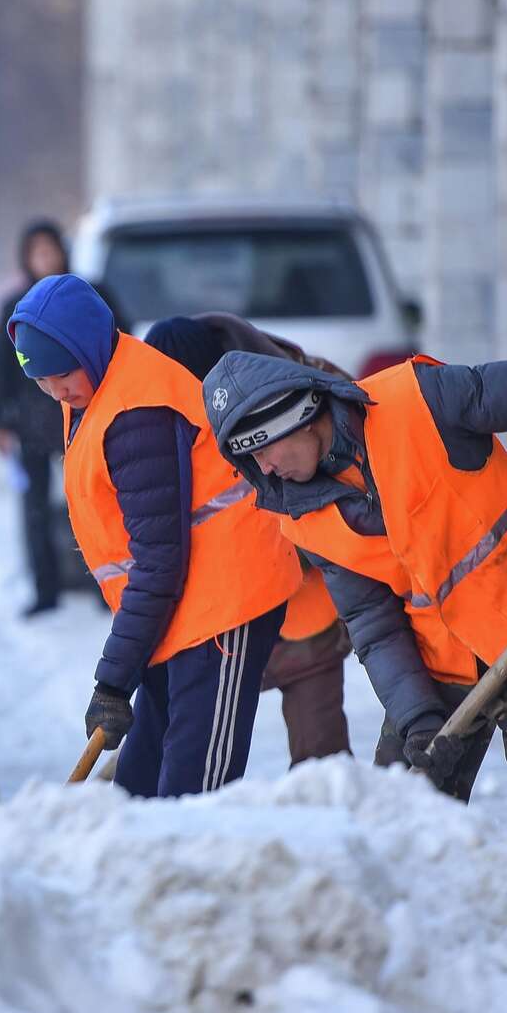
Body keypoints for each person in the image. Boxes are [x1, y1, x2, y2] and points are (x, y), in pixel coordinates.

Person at [200, 350, 507, 878]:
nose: (264, 470)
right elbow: (372, 624)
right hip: (440, 672)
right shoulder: (304, 517)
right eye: (250, 462)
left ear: (295, 413)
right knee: (391, 844)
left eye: (263, 451)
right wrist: (416, 718)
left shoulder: (419, 402)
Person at [10, 275, 301, 796]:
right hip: (178, 607)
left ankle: (194, 873)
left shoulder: (135, 413)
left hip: (224, 605)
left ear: (87, 345)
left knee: (194, 792)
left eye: (61, 373)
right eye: (42, 380)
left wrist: (114, 679)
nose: (57, 391)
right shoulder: (99, 387)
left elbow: (158, 559)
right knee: (142, 778)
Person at [143, 315, 353, 765]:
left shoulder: (293, 390)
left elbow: (353, 481)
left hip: (302, 608)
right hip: (217, 622)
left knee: (322, 762)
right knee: (185, 748)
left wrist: (298, 547)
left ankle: (327, 830)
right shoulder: (156, 418)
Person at [0, 220, 73, 616]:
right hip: (33, 420)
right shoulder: (14, 307)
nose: (45, 258)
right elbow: (0, 369)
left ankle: (107, 580)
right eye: (36, 251)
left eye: (50, 249)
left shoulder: (87, 295)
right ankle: (46, 589)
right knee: (35, 508)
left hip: (83, 416)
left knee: (97, 499)